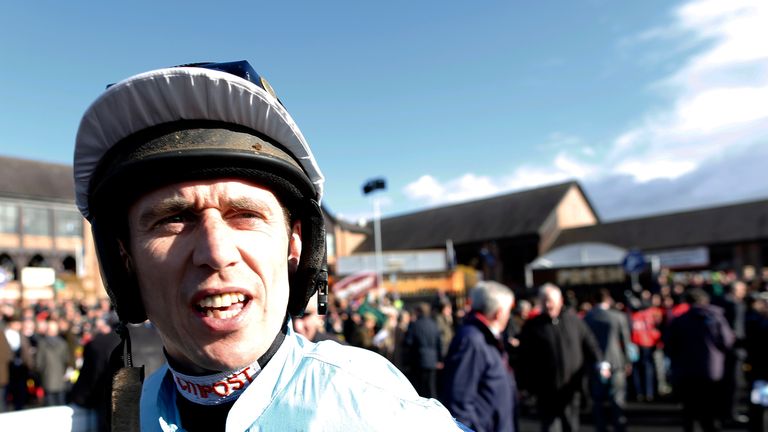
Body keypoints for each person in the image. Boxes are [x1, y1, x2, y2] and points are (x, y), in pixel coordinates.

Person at [73, 60, 463, 431]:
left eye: (245, 214)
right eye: (174, 219)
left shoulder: (378, 412)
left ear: (295, 246)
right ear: (124, 262)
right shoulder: (133, 410)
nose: (216, 252)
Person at [518, 283, 604, 432]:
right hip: (545, 391)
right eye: (544, 300)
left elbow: (590, 343)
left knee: (571, 425)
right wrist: (526, 385)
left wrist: (600, 363)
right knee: (550, 427)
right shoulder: (533, 326)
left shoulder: (574, 321)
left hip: (570, 389)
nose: (548, 304)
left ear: (560, 301)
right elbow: (523, 358)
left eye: (550, 300)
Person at [440, 281, 518, 432]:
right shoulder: (473, 340)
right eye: (509, 311)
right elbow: (459, 402)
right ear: (499, 313)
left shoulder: (485, 337)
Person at [665, 288, 735, 432]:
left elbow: (670, 346)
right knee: (710, 409)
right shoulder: (716, 318)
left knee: (689, 410)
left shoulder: (679, 320)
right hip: (712, 371)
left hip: (686, 371)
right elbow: (727, 342)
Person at [583, 289, 632, 432]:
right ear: (608, 300)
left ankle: (601, 427)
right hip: (616, 361)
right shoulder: (617, 317)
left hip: (595, 363)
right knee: (617, 397)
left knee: (598, 400)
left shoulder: (587, 318)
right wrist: (627, 361)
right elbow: (625, 341)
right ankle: (619, 426)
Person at [404, 302, 443, 398]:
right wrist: (440, 359)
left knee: (420, 389)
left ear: (419, 312)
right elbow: (439, 343)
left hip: (419, 360)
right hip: (432, 360)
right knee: (431, 388)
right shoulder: (434, 325)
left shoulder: (414, 325)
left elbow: (408, 342)